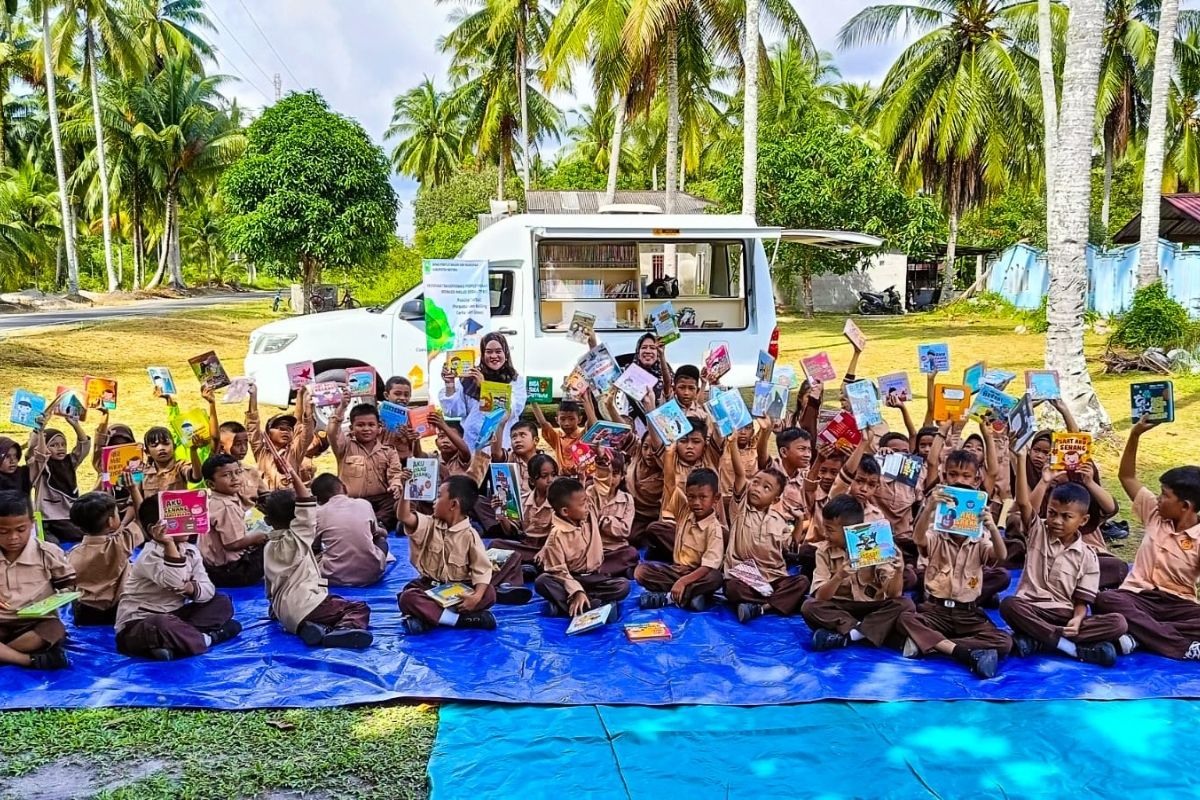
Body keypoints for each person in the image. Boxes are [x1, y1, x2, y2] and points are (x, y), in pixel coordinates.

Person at [999, 458, 1126, 666]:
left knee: (1118, 623)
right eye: (1052, 513)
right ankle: (1070, 647)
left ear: (1082, 521)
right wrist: (1043, 480)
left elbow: (1082, 600)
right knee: (1009, 605)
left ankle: (1039, 640)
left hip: (1063, 616)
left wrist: (1077, 620)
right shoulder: (1038, 532)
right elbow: (1024, 504)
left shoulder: (1087, 554)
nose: (1057, 521)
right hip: (1031, 608)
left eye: (1066, 517)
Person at [1093, 418, 1200, 660]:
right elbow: (1127, 476)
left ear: (1185, 506)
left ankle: (1138, 636)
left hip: (1178, 605)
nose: (1158, 499)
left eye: (1165, 495)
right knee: (1106, 599)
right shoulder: (1154, 512)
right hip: (1137, 598)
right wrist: (1135, 435)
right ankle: (1181, 647)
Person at [897, 467, 1013, 679]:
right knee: (905, 619)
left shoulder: (979, 540)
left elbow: (1001, 555)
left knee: (1004, 641)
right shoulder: (937, 535)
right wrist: (930, 507)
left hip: (968, 613)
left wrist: (993, 528)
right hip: (936, 610)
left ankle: (933, 644)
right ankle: (962, 652)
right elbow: (919, 540)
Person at [261, 464, 373, 649]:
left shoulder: (269, 547)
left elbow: (270, 586)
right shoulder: (297, 538)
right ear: (298, 518)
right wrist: (293, 473)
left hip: (284, 613)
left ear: (267, 521)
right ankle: (343, 629)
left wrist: (276, 610)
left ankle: (313, 628)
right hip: (307, 605)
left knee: (328, 605)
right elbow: (306, 502)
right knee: (357, 607)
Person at [115, 500, 240, 661]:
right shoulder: (149, 555)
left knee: (222, 601)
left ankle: (174, 642)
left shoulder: (190, 550)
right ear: (155, 530)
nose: (188, 523)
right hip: (140, 623)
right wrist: (168, 543)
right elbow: (175, 582)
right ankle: (207, 639)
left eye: (188, 518)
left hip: (175, 615)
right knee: (161, 624)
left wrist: (192, 589)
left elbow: (207, 589)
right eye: (178, 521)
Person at [397, 473, 520, 634]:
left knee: (488, 593)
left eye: (439, 496)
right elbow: (404, 516)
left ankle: (430, 618)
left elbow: (482, 570)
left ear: (453, 504)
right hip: (430, 586)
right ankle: (459, 620)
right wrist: (406, 489)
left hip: (459, 592)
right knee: (407, 597)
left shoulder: (470, 535)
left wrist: (476, 597)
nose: (434, 501)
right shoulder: (429, 524)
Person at [800, 495, 913, 651]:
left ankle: (851, 635)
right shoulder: (823, 551)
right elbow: (820, 596)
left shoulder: (875, 545)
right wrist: (839, 576)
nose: (825, 533)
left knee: (905, 604)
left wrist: (899, 572)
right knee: (809, 607)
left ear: (849, 531)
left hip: (872, 607)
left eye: (830, 530)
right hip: (841, 609)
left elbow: (894, 594)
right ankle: (871, 632)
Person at [723, 446, 808, 624]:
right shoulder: (741, 509)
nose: (757, 489)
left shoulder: (779, 521)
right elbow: (740, 475)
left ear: (775, 499)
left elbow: (792, 545)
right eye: (755, 482)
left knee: (801, 582)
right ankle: (780, 603)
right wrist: (733, 443)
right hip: (744, 576)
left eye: (766, 488)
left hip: (773, 577)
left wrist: (799, 521)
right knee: (732, 588)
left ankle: (761, 608)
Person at [534, 477, 631, 619]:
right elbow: (559, 573)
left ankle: (573, 606)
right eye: (582, 504)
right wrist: (577, 591)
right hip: (569, 579)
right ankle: (589, 605)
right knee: (542, 582)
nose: (587, 506)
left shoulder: (589, 514)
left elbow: (602, 484)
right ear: (565, 511)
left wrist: (600, 460)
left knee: (623, 585)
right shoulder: (557, 537)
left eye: (586, 501)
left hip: (593, 578)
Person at [0, 491, 76, 669]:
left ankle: (6, 653)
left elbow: (68, 585)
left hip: (36, 624)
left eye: (21, 530)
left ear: (32, 523)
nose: (13, 538)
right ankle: (28, 660)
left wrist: (59, 597)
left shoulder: (47, 553)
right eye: (3, 531)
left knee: (54, 629)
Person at [634, 468, 726, 612]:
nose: (696, 502)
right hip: (676, 570)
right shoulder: (685, 510)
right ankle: (692, 596)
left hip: (697, 574)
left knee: (715, 578)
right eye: (691, 497)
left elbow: (708, 567)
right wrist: (670, 452)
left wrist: (684, 581)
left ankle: (669, 597)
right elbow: (670, 484)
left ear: (715, 498)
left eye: (703, 497)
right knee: (640, 571)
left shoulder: (714, 529)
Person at [440, 332, 529, 451]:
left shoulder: (514, 379)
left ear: (506, 353)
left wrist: (484, 387)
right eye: (488, 351)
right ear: (482, 354)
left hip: (501, 446)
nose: (493, 356)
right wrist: (449, 383)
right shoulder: (470, 377)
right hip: (472, 447)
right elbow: (453, 411)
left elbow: (509, 411)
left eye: (498, 351)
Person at [66, 490, 143, 626]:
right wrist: (133, 488)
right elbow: (141, 519)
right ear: (110, 521)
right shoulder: (120, 544)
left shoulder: (72, 554)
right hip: (118, 611)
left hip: (86, 613)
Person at [328, 398, 404, 530]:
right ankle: (371, 524)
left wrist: (395, 485)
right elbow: (332, 433)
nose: (366, 429)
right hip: (353, 501)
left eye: (371, 425)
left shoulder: (389, 451)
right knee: (339, 505)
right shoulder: (344, 447)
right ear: (352, 428)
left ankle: (377, 524)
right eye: (361, 425)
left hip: (381, 501)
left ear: (379, 428)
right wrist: (341, 407)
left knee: (397, 500)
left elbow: (395, 473)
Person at [199, 454, 266, 587]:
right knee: (273, 543)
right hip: (232, 572)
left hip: (211, 569)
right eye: (226, 475)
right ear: (211, 484)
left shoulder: (211, 501)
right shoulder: (226, 506)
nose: (235, 478)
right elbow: (233, 544)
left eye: (238, 472)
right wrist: (258, 537)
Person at [312, 473, 388, 587]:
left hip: (333, 577)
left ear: (318, 500)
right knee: (381, 541)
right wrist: (382, 531)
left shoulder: (318, 513)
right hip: (371, 574)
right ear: (344, 487)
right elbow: (376, 534)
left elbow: (314, 547)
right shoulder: (364, 504)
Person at [27, 416, 91, 543]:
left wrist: (75, 425)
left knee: (88, 534)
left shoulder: (70, 462)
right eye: (54, 445)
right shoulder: (41, 467)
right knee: (52, 544)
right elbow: (37, 454)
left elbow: (83, 447)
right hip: (47, 520)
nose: (60, 448)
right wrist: (40, 432)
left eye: (63, 444)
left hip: (68, 517)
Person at [246, 382, 314, 490]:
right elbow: (253, 425)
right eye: (281, 429)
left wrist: (307, 409)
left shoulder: (294, 452)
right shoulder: (261, 452)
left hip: (289, 501)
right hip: (267, 502)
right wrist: (253, 396)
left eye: (289, 429)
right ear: (268, 433)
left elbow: (305, 432)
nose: (285, 432)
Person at [587, 450, 639, 578]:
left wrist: (602, 521)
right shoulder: (591, 493)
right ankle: (612, 571)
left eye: (615, 474)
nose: (610, 479)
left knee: (631, 553)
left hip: (617, 549)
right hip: (594, 548)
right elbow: (587, 523)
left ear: (622, 476)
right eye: (607, 474)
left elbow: (624, 531)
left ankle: (600, 572)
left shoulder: (627, 499)